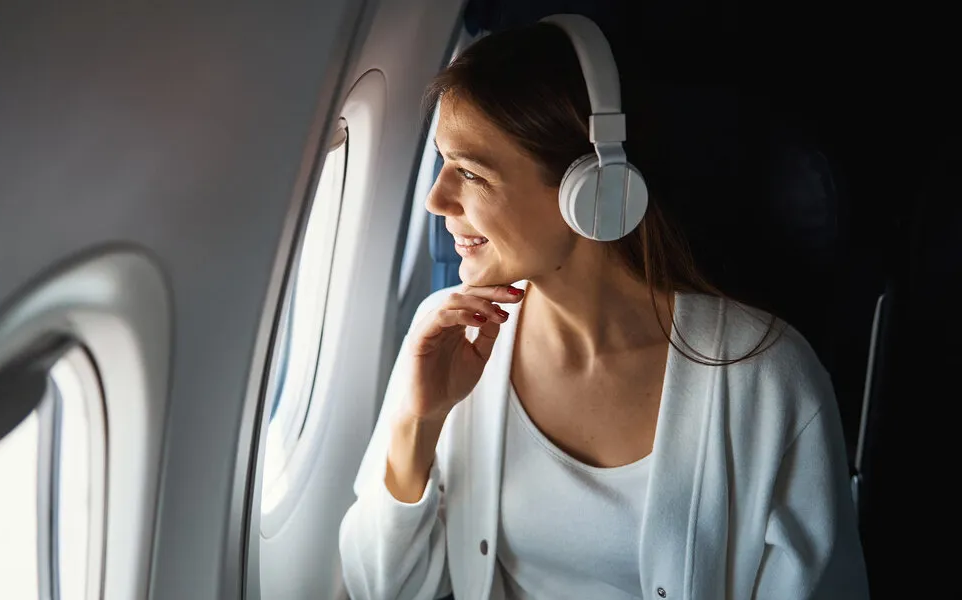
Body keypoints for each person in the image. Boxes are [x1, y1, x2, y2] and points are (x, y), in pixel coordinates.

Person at [338, 15, 868, 600]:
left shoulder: (768, 379)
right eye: (442, 164)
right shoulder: (451, 334)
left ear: (591, 187)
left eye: (470, 172)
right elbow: (383, 591)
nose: (437, 200)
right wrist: (420, 423)